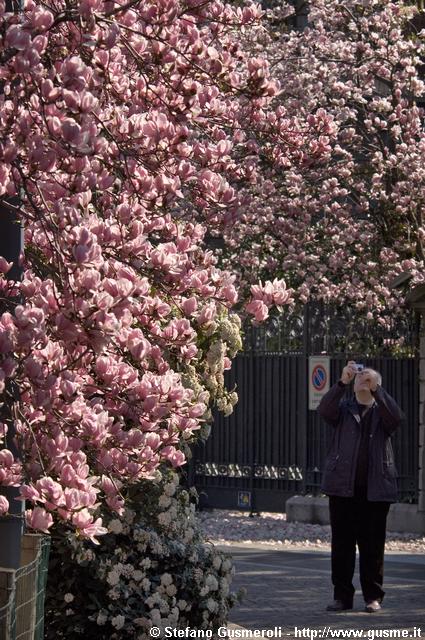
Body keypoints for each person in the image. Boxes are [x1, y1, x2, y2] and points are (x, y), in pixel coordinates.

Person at [317, 361, 404, 614]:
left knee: (373, 547)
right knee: (341, 546)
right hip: (342, 488)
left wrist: (378, 390)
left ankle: (373, 597)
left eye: (367, 379)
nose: (361, 381)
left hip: (375, 491)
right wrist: (341, 382)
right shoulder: (343, 409)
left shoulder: (382, 411)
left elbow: (396, 417)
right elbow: (324, 410)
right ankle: (342, 597)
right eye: (358, 379)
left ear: (376, 385)